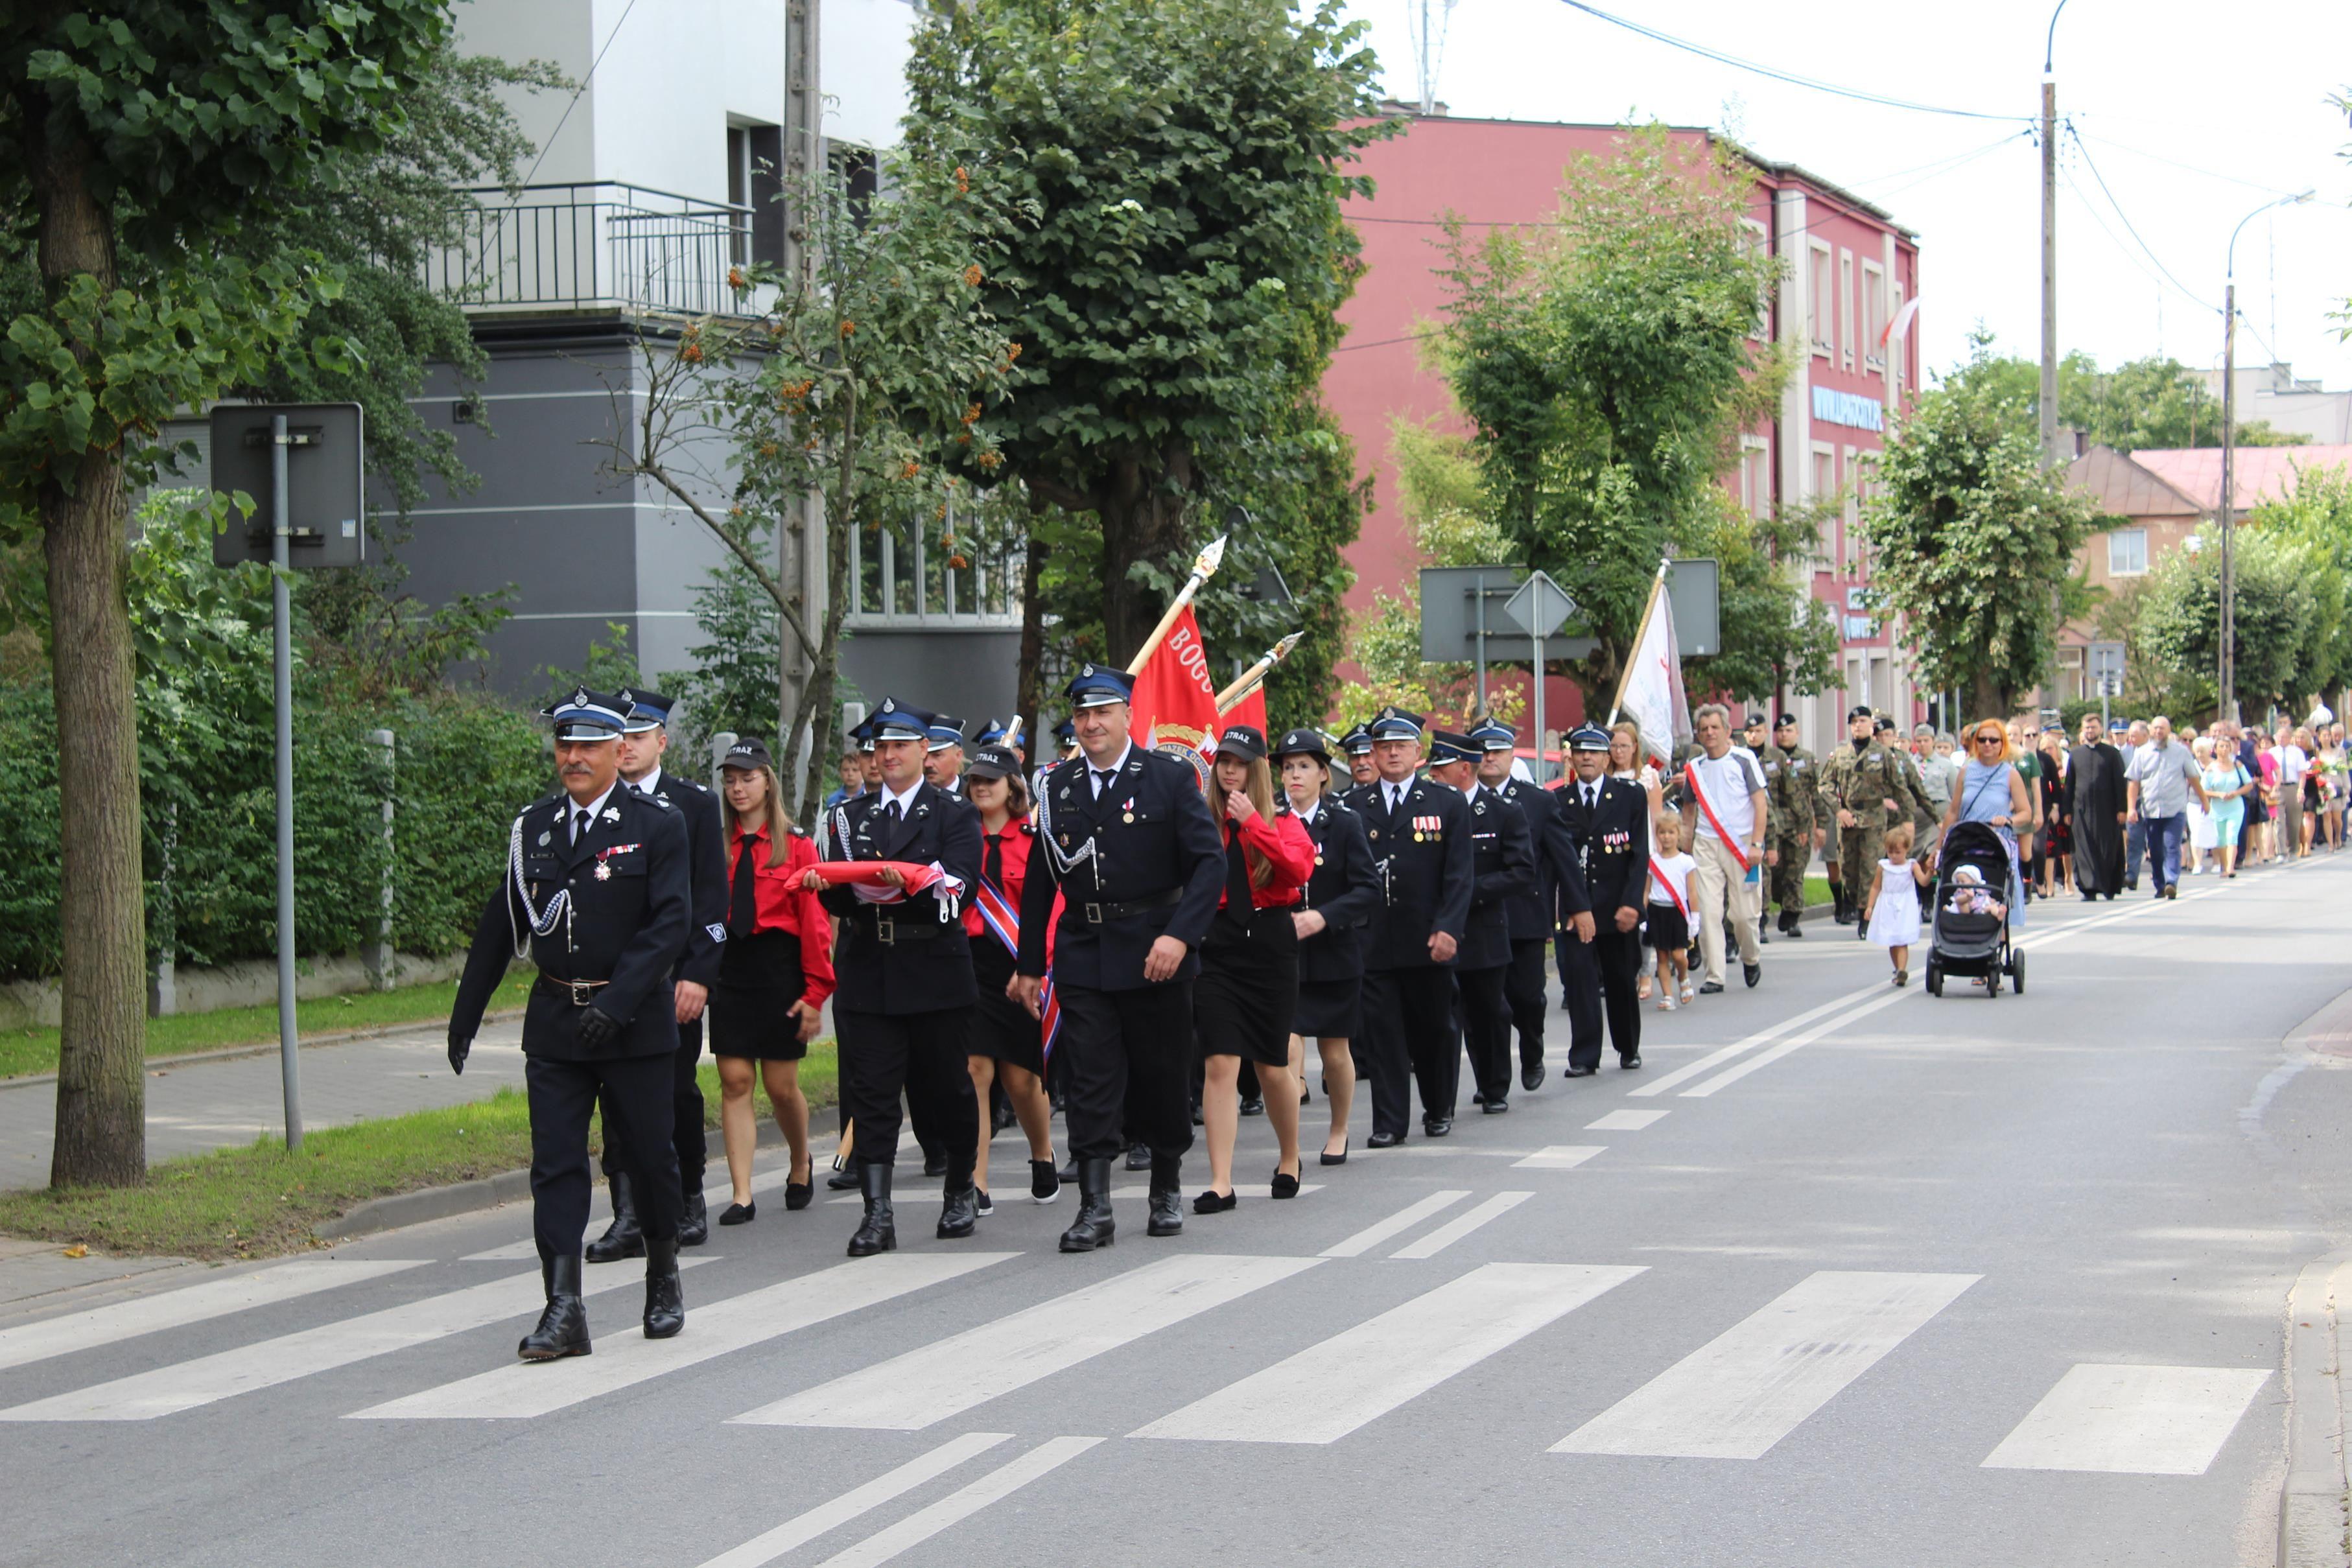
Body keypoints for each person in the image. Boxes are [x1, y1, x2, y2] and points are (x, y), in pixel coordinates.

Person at [447, 688, 692, 1359]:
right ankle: (564, 1307)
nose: (574, 757)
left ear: (621, 749)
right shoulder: (535, 828)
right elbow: (502, 925)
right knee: (555, 1165)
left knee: (649, 1156)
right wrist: (465, 1015)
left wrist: (616, 1007)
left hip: (633, 1021)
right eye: (565, 744)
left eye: (588, 745)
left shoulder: (657, 823)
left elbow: (669, 923)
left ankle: (663, 1274)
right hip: (557, 1020)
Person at [1015, 663, 1225, 1251]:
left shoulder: (1167, 777)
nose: (1091, 723)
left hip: (1156, 948)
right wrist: (1030, 965)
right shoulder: (1056, 786)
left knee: (1161, 1073)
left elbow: (1209, 863)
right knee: (1091, 1079)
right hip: (1085, 950)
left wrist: (1180, 935)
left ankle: (1165, 1186)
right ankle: (1096, 1205)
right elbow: (1040, 882)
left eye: (1102, 712)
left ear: (1128, 715)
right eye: (1082, 714)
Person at [806, 697, 985, 1257]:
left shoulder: (953, 813)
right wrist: (829, 883)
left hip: (932, 965)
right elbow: (837, 884)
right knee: (874, 1093)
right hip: (870, 967)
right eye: (880, 747)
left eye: (899, 746)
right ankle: (876, 1212)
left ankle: (960, 1185)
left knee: (946, 1090)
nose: (887, 756)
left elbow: (962, 889)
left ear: (923, 750)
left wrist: (910, 883)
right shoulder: (852, 816)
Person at [583, 688, 729, 1263]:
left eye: (638, 736)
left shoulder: (690, 805)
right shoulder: (594, 802)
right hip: (609, 983)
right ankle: (626, 1213)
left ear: (661, 741)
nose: (627, 747)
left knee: (674, 1093)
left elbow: (711, 900)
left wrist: (698, 975)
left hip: (671, 983)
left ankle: (687, 1195)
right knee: (615, 1102)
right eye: (619, 738)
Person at [709, 738, 834, 1224]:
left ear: (768, 782)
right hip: (731, 967)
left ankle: (800, 1158)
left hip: (778, 968)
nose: (738, 787)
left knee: (781, 1086)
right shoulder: (716, 843)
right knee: (735, 1079)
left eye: (748, 777)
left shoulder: (796, 844)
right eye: (730, 779)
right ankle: (742, 1192)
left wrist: (815, 993)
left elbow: (814, 925)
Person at [1192, 725, 1315, 1208]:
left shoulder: (1282, 821)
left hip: (1269, 942)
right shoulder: (1202, 821)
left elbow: (1298, 872)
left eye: (1239, 762)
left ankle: (1289, 1155)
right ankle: (1221, 1180)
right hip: (1218, 943)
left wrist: (1253, 825)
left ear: (1257, 770)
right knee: (1220, 1060)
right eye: (1224, 760)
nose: (1229, 769)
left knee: (1271, 1065)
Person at [1345, 706, 1479, 1147]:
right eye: (1383, 746)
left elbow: (1459, 874)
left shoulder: (1445, 802)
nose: (1391, 753)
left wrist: (1449, 928)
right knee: (1383, 1035)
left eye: (1400, 745)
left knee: (1433, 1029)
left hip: (1428, 937)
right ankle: (1389, 1122)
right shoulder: (1353, 806)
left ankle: (1439, 1106)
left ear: (1417, 752)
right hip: (1374, 940)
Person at [959, 743, 1062, 1215]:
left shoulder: (1035, 837)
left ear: (1013, 787)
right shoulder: (960, 837)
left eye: (990, 780)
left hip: (1021, 965)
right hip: (970, 963)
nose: (981, 786)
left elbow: (1050, 909)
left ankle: (1042, 1152)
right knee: (975, 1070)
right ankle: (975, 1181)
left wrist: (1033, 967)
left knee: (1021, 1080)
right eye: (975, 780)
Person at [1275, 729, 1376, 1165]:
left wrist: (1324, 915)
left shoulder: (1344, 821)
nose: (1294, 775)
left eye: (1303, 766)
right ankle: (1290, 1144)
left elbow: (1368, 888)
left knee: (1335, 1052)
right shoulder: (1271, 820)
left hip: (1334, 952)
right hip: (1285, 954)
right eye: (1287, 767)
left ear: (1322, 773)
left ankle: (1339, 1129)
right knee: (1286, 1045)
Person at [1426, 729, 1535, 1116]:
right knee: (1445, 1020)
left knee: (1488, 1014)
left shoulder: (1504, 811)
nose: (1433, 775)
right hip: (1437, 931)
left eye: (1441, 768)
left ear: (1465, 770)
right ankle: (1442, 1103)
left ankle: (1493, 1086)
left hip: (1482, 931)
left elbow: (1521, 872)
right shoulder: (1428, 811)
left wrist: (1467, 890)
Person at [1470, 718, 1556, 1090]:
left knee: (1527, 998)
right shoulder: (1458, 802)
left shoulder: (1538, 801)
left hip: (1524, 915)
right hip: (1478, 919)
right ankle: (1490, 1078)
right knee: (1485, 1006)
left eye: (1497, 751)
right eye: (1482, 751)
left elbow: (1561, 858)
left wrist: (1577, 908)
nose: (1489, 757)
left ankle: (1532, 1050)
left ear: (1510, 755)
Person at [1557, 725, 1646, 1070]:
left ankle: (1628, 1047)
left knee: (1621, 980)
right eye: (1580, 751)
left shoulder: (1629, 796)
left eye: (1594, 751)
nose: (1587, 758)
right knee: (1580, 984)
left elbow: (1639, 855)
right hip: (1577, 910)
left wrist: (1632, 905)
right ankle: (1584, 1056)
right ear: (1572, 757)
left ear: (1608, 757)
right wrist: (1563, 906)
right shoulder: (1559, 801)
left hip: (1616, 908)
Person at [1674, 703, 1769, 992]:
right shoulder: (1696, 768)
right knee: (1708, 911)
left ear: (1727, 730)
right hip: (1706, 844)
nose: (1710, 733)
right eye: (1704, 729)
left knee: (1744, 915)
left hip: (1741, 845)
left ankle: (1750, 957)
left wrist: (1757, 843)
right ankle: (1715, 975)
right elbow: (1689, 810)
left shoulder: (1744, 759)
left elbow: (1760, 803)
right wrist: (1685, 847)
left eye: (1715, 727)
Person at [1820, 707, 1931, 936]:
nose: (1858, 725)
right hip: (1848, 820)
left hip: (1874, 819)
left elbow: (1900, 787)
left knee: (1870, 868)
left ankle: (1865, 916)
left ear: (1871, 725)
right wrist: (1839, 810)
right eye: (1854, 722)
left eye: (1862, 721)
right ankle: (1854, 901)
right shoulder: (1840, 754)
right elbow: (1825, 785)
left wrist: (1908, 816)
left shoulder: (1882, 753)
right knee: (1849, 870)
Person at [1944, 721, 2033, 922]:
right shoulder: (1966, 771)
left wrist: (2008, 820)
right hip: (1966, 841)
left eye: (1994, 740)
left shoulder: (2009, 773)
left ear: (2002, 744)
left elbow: (2026, 813)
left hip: (1996, 841)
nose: (1988, 744)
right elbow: (1953, 811)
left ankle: (1996, 929)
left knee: (1996, 889)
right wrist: (1940, 846)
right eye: (1982, 740)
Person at [2124, 716, 2207, 899]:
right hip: (2151, 810)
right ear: (2151, 731)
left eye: (2162, 728)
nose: (2159, 732)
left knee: (2172, 845)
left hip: (2175, 809)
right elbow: (2134, 782)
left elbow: (2193, 778)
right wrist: (2131, 808)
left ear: (2169, 731)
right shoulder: (2142, 753)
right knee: (2155, 850)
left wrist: (2204, 801)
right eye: (2155, 728)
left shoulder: (2181, 752)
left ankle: (2172, 881)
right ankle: (2160, 885)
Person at [1763, 712, 1823, 938]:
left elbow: (1816, 794)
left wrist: (1820, 825)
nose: (1784, 735)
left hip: (1800, 822)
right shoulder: (1771, 758)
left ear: (1797, 733)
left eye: (1789, 730)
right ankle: (1777, 903)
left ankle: (1793, 915)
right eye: (1780, 731)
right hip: (1774, 823)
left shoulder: (1807, 759)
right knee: (1774, 871)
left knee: (1795, 870)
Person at [1863, 820, 1929, 987]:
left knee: (1902, 939)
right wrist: (1870, 906)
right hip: (1888, 904)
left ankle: (1902, 968)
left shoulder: (1912, 866)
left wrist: (1931, 873)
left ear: (1906, 850)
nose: (1893, 856)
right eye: (1890, 852)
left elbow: (1924, 882)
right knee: (1892, 939)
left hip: (1905, 904)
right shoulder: (1883, 867)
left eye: (1898, 852)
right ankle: (1898, 969)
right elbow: (1876, 887)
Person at [2069, 713, 2127, 900]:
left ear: (2101, 730)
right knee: (2084, 850)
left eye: (2093, 727)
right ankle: (2089, 889)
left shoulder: (2112, 754)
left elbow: (2120, 782)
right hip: (2082, 810)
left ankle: (2109, 887)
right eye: (2087, 728)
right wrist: (2066, 811)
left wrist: (2122, 808)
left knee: (2108, 849)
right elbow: (2070, 783)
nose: (2090, 731)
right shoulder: (2075, 754)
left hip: (2107, 810)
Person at [1645, 814, 1695, 1010]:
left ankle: (1683, 977)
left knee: (1679, 955)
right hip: (1657, 911)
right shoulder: (1653, 862)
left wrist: (1695, 917)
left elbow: (1692, 891)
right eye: (1662, 833)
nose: (1666, 837)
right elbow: (1647, 890)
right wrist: (1643, 913)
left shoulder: (1686, 861)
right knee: (1662, 955)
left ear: (1679, 834)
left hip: (1677, 912)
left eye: (1671, 832)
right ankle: (1668, 996)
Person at [2198, 738, 2250, 879]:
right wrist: (2218, 794)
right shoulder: (2210, 769)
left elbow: (2249, 784)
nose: (2224, 749)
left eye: (2227, 746)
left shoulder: (2237, 765)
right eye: (2221, 746)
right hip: (2218, 807)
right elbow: (2203, 790)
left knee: (2232, 835)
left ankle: (2231, 867)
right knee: (2221, 839)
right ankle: (2224, 866)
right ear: (2215, 750)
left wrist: (2236, 793)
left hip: (2236, 806)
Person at [2035, 725, 2071, 896]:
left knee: (2056, 849)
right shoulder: (2036, 760)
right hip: (2035, 809)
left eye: (2050, 748)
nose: (2047, 751)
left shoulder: (2059, 762)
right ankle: (2041, 882)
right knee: (2042, 849)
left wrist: (2056, 808)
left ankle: (2060, 881)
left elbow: (2056, 787)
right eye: (2044, 748)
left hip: (2051, 809)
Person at [2184, 737, 2217, 874]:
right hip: (2194, 802)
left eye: (2202, 751)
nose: (2200, 755)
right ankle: (2197, 863)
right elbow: (2186, 784)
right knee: (2196, 832)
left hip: (2213, 803)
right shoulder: (2191, 765)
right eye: (2197, 752)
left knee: (2215, 832)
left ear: (2209, 751)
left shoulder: (2216, 765)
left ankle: (2217, 862)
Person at [924, 716, 968, 797]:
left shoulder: (973, 798)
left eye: (937, 755)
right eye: (924, 756)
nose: (927, 764)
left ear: (958, 755)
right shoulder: (910, 798)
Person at [822, 747, 865, 811]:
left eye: (855, 770)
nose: (850, 774)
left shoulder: (868, 796)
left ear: (863, 772)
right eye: (846, 770)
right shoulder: (833, 800)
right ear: (840, 772)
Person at [1341, 724, 1377, 789]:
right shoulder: (1341, 799)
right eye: (1355, 757)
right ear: (1349, 761)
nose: (1361, 762)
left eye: (1367, 755)